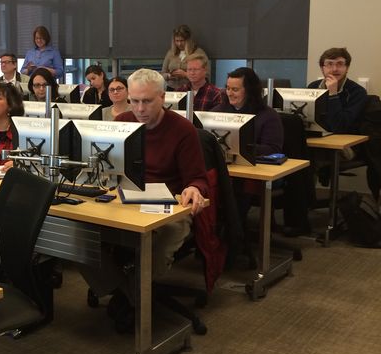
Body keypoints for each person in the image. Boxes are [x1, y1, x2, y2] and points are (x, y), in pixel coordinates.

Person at [81, 68, 208, 328]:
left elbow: (198, 178)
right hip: (123, 199)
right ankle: (128, 292)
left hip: (167, 205)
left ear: (162, 97)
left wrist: (194, 188)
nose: (139, 108)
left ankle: (129, 296)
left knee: (164, 236)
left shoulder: (182, 129)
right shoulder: (123, 122)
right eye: (134, 101)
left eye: (147, 101)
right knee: (78, 232)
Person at [214, 67, 283, 156]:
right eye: (228, 88)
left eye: (235, 90)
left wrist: (242, 148)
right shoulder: (218, 111)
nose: (229, 93)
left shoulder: (269, 116)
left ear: (250, 91)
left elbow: (273, 149)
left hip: (256, 166)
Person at [307, 47, 367, 134]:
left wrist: (332, 94)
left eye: (340, 64)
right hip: (316, 138)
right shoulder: (313, 86)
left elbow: (340, 127)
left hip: (344, 142)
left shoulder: (357, 92)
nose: (335, 69)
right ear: (322, 68)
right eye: (329, 64)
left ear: (347, 68)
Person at [161, 25, 209, 91]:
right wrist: (169, 76)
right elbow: (162, 73)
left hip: (190, 89)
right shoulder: (170, 53)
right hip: (171, 89)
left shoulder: (198, 53)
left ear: (188, 40)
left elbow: (206, 76)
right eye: (177, 41)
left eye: (182, 41)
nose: (179, 44)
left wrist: (186, 75)